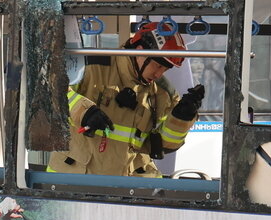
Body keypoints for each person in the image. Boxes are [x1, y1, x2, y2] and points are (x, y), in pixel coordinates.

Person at [46, 26, 204, 177]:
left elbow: (165, 145)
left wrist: (181, 118)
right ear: (140, 52)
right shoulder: (91, 65)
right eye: (157, 66)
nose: (159, 74)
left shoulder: (163, 93)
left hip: (130, 186)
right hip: (75, 178)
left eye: (165, 69)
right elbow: (51, 92)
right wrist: (84, 112)